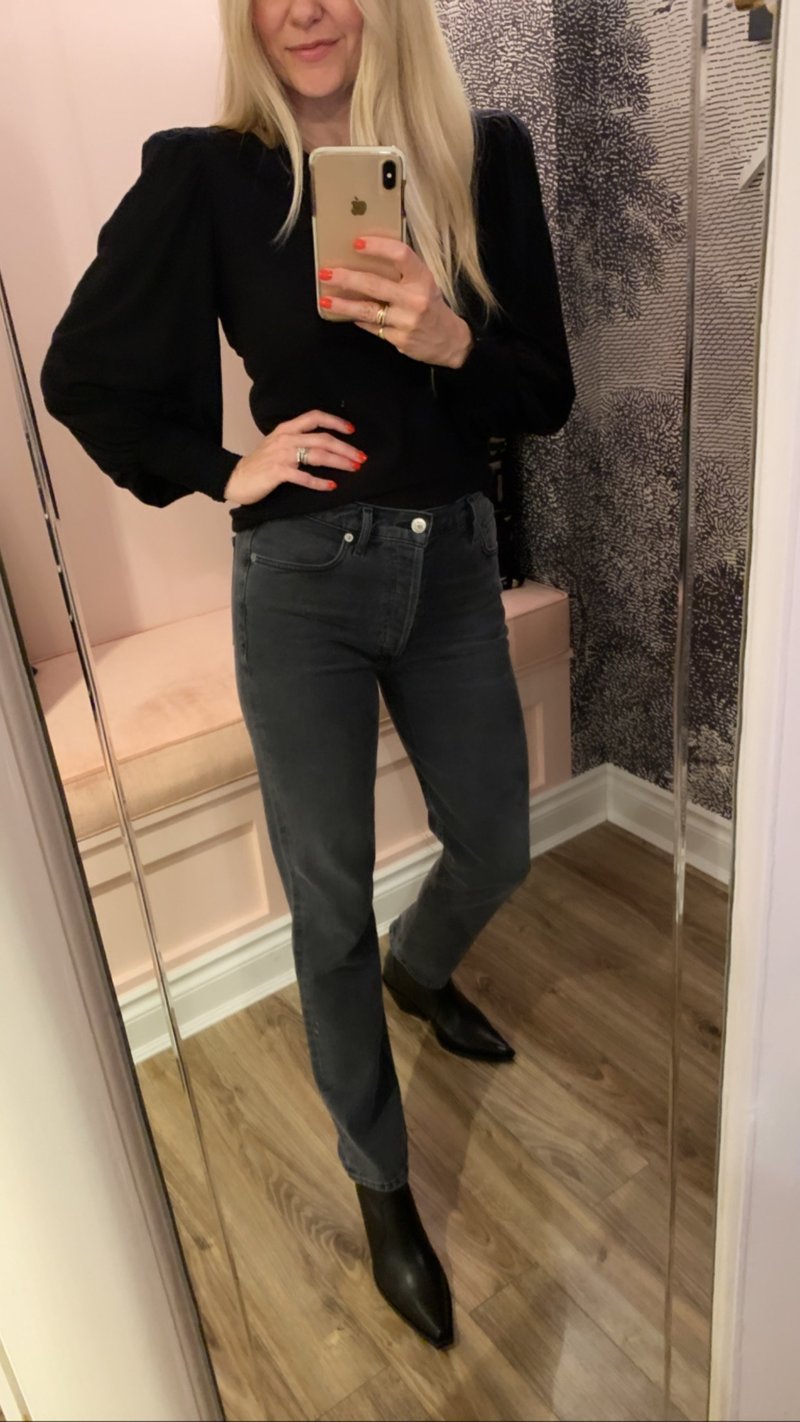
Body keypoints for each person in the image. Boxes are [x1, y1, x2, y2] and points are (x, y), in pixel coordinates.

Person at [40, 0, 575, 1350]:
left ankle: (424, 967)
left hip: (451, 566)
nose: (305, 7)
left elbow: (545, 394)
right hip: (300, 584)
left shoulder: (481, 155)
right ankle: (380, 1181)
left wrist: (451, 341)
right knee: (327, 902)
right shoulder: (207, 173)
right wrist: (229, 469)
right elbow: (84, 374)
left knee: (497, 841)